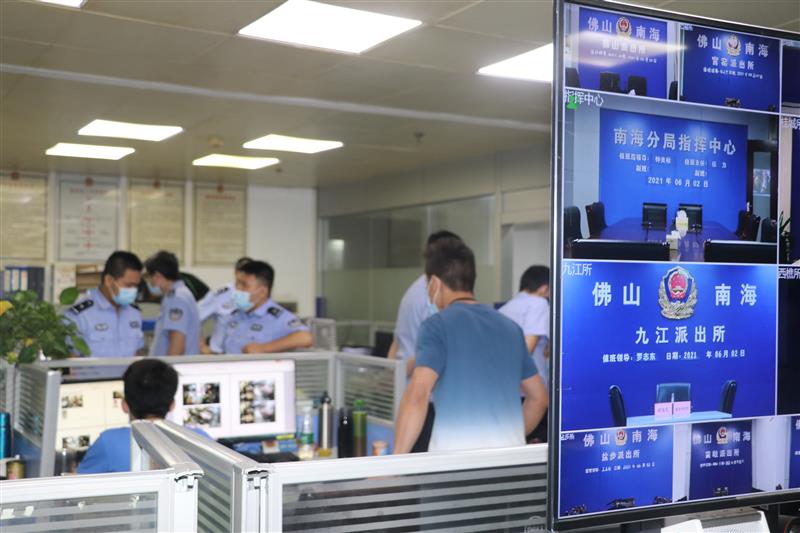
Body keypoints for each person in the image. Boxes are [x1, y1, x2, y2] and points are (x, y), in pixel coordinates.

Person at [393, 238, 548, 454]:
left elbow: (418, 395)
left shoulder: (437, 326)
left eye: (427, 284)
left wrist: (395, 461)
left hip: (456, 462)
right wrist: (508, 437)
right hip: (507, 463)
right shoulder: (510, 328)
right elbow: (539, 399)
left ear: (435, 283)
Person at [77, 359, 209, 474]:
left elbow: (79, 485)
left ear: (124, 405)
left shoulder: (108, 442)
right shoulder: (200, 440)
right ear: (172, 405)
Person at [388, 230, 462, 377]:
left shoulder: (414, 289)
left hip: (407, 381)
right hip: (424, 384)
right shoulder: (434, 295)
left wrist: (393, 375)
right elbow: (439, 349)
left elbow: (396, 342)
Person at [217, 260, 313, 354]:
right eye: (237, 284)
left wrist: (263, 348)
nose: (238, 289)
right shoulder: (236, 314)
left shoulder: (278, 317)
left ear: (262, 292)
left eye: (244, 285)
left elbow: (305, 338)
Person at [63, 251, 145, 357]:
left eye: (136, 286)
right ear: (109, 280)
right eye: (129, 285)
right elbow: (70, 359)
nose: (133, 290)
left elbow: (137, 353)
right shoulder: (79, 315)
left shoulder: (134, 312)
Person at [499, 265, 551, 390]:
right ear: (544, 288)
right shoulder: (539, 303)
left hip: (506, 385)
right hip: (531, 388)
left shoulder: (504, 309)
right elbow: (528, 349)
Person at [145, 250, 201, 356]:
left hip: (174, 365)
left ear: (157, 276)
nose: (150, 282)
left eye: (149, 277)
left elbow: (177, 345)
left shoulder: (176, 299)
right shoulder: (182, 294)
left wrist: (167, 366)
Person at [198, 257, 253, 354]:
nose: (245, 276)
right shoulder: (221, 294)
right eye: (242, 271)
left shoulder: (258, 295)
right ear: (236, 272)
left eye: (250, 272)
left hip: (249, 355)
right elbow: (194, 317)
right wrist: (202, 346)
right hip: (221, 355)